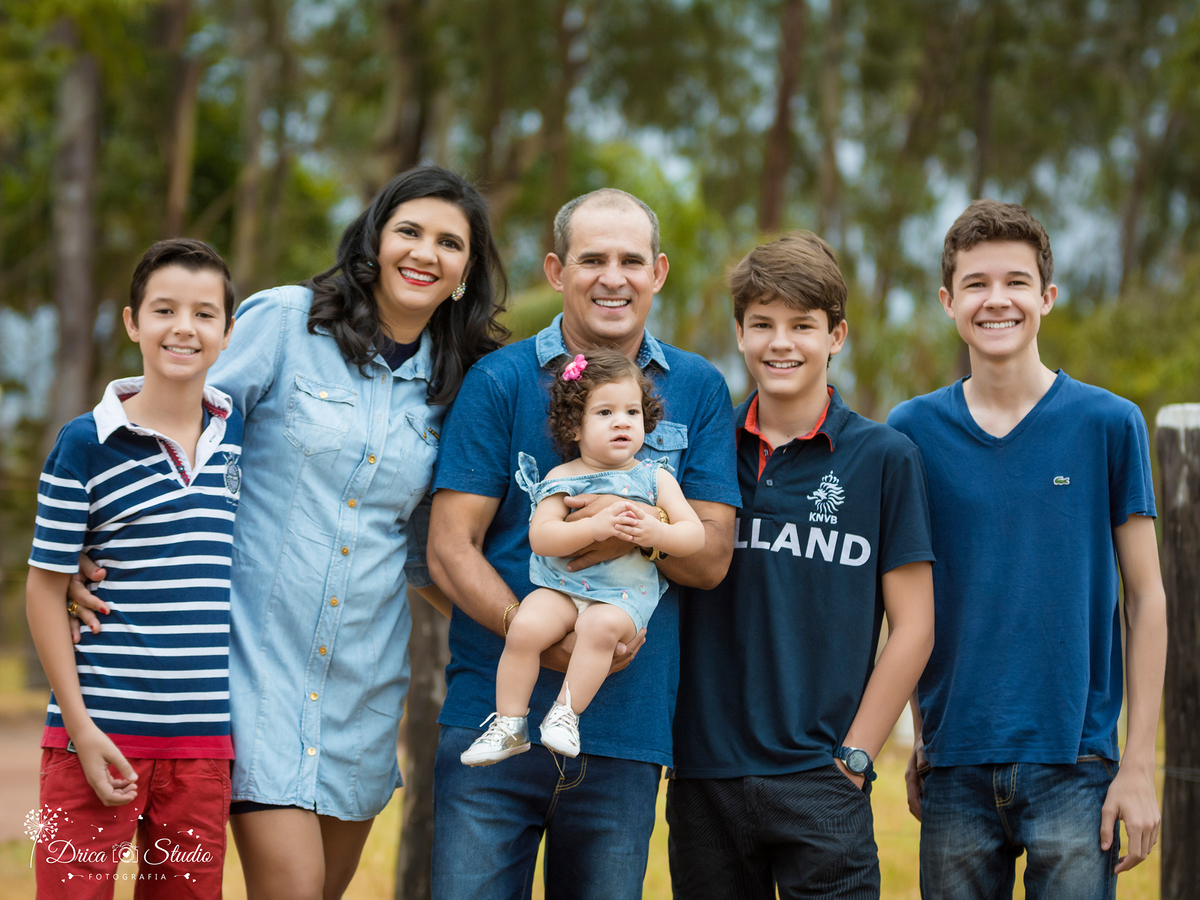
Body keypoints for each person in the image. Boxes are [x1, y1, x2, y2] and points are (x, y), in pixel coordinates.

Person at [68, 165, 508, 900]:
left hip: (364, 689)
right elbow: (170, 423)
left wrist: (529, 634)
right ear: (374, 239)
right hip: (251, 670)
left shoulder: (458, 384)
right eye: (409, 231)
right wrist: (92, 537)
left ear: (466, 270)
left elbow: (430, 551)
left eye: (449, 242)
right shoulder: (284, 322)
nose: (425, 252)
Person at [427, 188, 742, 898]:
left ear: (658, 273)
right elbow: (452, 546)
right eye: (592, 259)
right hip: (491, 717)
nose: (613, 277)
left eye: (631, 260)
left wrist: (629, 531)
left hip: (625, 734)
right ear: (556, 270)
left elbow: (712, 556)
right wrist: (533, 633)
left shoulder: (696, 388)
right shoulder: (501, 381)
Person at [887, 200, 1167, 899]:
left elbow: (1147, 597)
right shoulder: (911, 431)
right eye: (976, 284)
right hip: (955, 765)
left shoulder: (1108, 424)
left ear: (1046, 296)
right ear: (949, 301)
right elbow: (910, 599)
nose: (997, 300)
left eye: (1015, 281)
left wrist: (1137, 764)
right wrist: (925, 737)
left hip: (1076, 761)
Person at [667, 231, 937, 899]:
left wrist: (856, 757)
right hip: (706, 779)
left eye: (802, 325)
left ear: (836, 334)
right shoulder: (701, 454)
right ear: (739, 332)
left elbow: (915, 625)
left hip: (823, 781)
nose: (780, 343)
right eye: (762, 324)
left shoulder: (883, 457)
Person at [27, 238, 240, 897]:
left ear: (228, 333)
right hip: (90, 738)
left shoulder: (239, 435)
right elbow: (42, 590)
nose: (184, 327)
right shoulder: (84, 443)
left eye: (205, 314)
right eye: (164, 309)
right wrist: (81, 729)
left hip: (202, 749)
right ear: (132, 323)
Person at [461, 349, 705, 765]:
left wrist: (655, 531)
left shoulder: (654, 477)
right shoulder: (564, 478)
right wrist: (593, 528)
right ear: (574, 426)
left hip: (621, 596)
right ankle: (509, 723)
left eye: (632, 411)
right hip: (560, 586)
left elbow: (694, 534)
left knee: (600, 627)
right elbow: (542, 536)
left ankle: (566, 714)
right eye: (605, 412)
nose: (622, 421)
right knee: (524, 627)